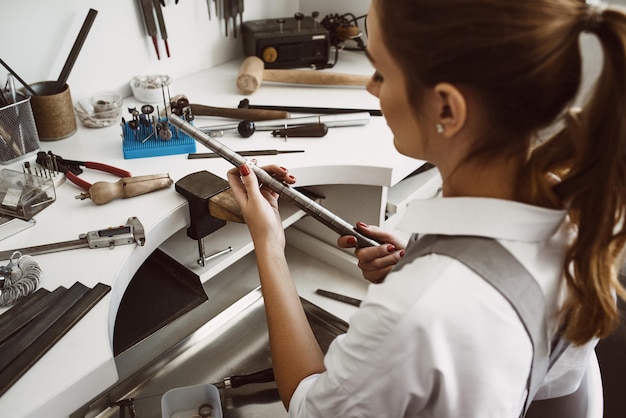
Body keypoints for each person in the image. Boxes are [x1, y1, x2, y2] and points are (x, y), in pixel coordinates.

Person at [226, 0, 626, 416]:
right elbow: (554, 378)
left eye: (380, 71)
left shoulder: (419, 311)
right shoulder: (578, 212)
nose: (370, 87)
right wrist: (425, 261)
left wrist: (269, 242)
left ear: (446, 108)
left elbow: (309, 406)